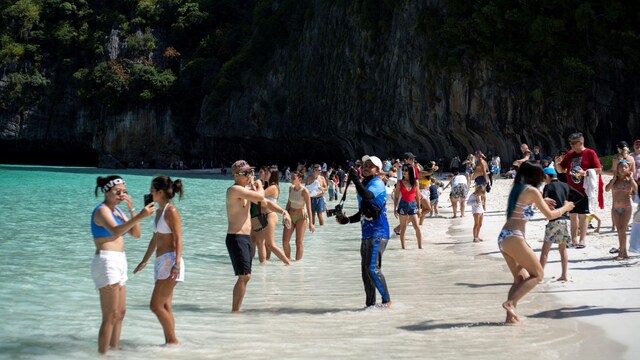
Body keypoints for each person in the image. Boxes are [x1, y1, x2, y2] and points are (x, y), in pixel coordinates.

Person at [498, 162, 574, 323]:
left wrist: (541, 200)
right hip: (514, 236)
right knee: (538, 274)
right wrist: (566, 207)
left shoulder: (518, 188)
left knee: (520, 279)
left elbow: (525, 204)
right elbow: (551, 215)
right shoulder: (532, 191)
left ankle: (510, 318)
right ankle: (510, 303)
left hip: (504, 237)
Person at [91, 175, 155, 354]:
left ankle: (114, 351)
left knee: (120, 313)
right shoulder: (102, 210)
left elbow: (136, 234)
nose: (121, 195)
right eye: (117, 192)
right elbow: (116, 230)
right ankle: (102, 354)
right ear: (106, 192)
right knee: (109, 315)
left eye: (124, 192)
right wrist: (140, 216)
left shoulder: (118, 211)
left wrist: (133, 209)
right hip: (106, 261)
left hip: (119, 261)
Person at [133, 176, 185, 345]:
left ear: (161, 192)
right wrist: (144, 261)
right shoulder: (158, 211)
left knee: (155, 306)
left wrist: (177, 264)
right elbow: (155, 240)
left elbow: (178, 239)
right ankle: (169, 344)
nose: (150, 193)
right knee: (165, 306)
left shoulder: (171, 211)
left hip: (171, 262)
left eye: (152, 190)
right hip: (160, 262)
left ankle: (173, 341)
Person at [336, 155, 391, 308]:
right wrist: (346, 220)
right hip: (366, 233)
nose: (366, 167)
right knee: (365, 272)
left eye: (370, 166)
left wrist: (355, 180)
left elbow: (368, 196)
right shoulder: (365, 184)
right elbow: (363, 212)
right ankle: (370, 305)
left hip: (379, 233)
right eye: (364, 165)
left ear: (377, 170)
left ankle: (387, 302)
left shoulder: (377, 183)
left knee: (372, 269)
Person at [225, 160, 266, 312]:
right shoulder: (234, 190)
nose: (250, 175)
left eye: (251, 172)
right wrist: (260, 185)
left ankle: (236, 310)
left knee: (246, 276)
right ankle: (235, 311)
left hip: (245, 237)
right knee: (244, 276)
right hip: (236, 237)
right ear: (236, 175)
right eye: (246, 173)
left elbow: (262, 201)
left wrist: (283, 212)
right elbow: (260, 197)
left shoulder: (245, 189)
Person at [554, 132, 603, 248]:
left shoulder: (590, 153)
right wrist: (556, 164)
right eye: (570, 143)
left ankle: (582, 240)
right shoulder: (570, 154)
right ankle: (574, 239)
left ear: (580, 143)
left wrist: (585, 173)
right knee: (572, 215)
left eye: (573, 143)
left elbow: (599, 170)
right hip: (571, 190)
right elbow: (561, 170)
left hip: (584, 189)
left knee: (582, 215)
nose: (571, 146)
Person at [252, 166, 292, 265]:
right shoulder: (266, 185)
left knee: (270, 244)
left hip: (270, 215)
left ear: (272, 175)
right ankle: (263, 266)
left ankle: (288, 263)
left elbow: (258, 196)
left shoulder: (273, 187)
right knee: (259, 242)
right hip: (260, 216)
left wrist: (254, 183)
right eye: (264, 172)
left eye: (267, 173)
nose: (264, 174)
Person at [538, 167, 571, 281]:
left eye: (544, 178)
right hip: (565, 220)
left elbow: (543, 199)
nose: (544, 181)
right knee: (562, 250)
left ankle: (539, 275)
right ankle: (564, 275)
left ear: (547, 176)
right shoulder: (565, 185)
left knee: (545, 250)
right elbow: (580, 196)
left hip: (554, 220)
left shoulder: (548, 186)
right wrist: (568, 206)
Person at [605, 160, 637, 260]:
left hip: (626, 208)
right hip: (615, 208)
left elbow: (636, 189)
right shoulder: (614, 180)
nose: (623, 169)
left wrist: (631, 179)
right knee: (619, 230)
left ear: (629, 169)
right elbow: (607, 189)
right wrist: (614, 178)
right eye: (620, 167)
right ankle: (624, 252)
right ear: (617, 170)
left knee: (623, 230)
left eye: (625, 167)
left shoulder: (629, 181)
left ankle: (621, 253)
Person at [283, 171, 315, 260]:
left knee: (298, 242)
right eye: (291, 177)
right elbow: (288, 203)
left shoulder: (304, 191)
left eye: (293, 178)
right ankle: (287, 260)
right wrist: (284, 215)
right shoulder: (291, 188)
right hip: (290, 216)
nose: (291, 179)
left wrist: (311, 224)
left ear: (300, 179)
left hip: (301, 217)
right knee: (285, 241)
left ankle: (297, 265)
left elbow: (309, 208)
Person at [393, 164, 422, 249]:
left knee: (417, 227)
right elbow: (396, 196)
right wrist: (395, 209)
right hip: (403, 205)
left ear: (410, 171)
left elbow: (418, 196)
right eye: (403, 170)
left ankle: (420, 247)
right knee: (403, 227)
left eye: (406, 170)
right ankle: (403, 248)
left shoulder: (415, 182)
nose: (404, 172)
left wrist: (419, 208)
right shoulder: (400, 182)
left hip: (413, 205)